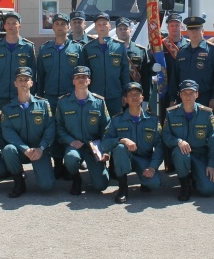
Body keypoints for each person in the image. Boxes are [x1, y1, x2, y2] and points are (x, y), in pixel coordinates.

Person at [168, 16, 214, 169]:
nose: (194, 33)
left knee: (213, 130)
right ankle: (189, 161)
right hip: (186, 99)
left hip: (207, 98)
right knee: (188, 130)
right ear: (186, 31)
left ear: (203, 30)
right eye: (191, 29)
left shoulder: (213, 50)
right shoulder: (182, 51)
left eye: (197, 29)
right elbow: (175, 76)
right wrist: (173, 97)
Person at [36, 13, 86, 178]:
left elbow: (82, 75)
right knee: (54, 131)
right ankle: (57, 164)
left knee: (71, 129)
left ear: (68, 27)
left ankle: (72, 161)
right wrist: (39, 96)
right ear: (53, 27)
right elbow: (40, 76)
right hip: (49, 97)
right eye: (56, 24)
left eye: (63, 24)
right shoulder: (45, 49)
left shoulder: (77, 49)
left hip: (70, 97)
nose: (59, 27)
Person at [102, 81, 163, 203]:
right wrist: (121, 140)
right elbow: (105, 143)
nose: (134, 97)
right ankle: (123, 187)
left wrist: (152, 167)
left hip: (144, 159)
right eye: (130, 94)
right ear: (125, 99)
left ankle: (144, 180)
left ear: (142, 98)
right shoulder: (116, 120)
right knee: (120, 148)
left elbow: (160, 145)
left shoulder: (153, 120)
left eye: (137, 94)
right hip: (125, 158)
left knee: (154, 183)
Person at [55, 66, 111, 195]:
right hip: (74, 145)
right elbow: (59, 127)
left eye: (84, 77)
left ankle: (100, 168)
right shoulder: (63, 103)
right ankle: (76, 179)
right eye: (77, 77)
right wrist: (70, 141)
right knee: (70, 157)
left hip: (93, 146)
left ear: (89, 81)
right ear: (73, 81)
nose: (81, 80)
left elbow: (107, 128)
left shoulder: (99, 102)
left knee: (101, 185)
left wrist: (106, 150)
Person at [1, 67, 56, 197]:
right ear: (15, 83)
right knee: (8, 149)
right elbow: (7, 131)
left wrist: (41, 147)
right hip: (20, 150)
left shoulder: (43, 104)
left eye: (26, 79)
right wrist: (24, 149)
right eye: (20, 80)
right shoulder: (8, 108)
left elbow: (50, 127)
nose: (23, 82)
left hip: (39, 151)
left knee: (47, 186)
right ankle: (19, 181)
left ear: (31, 83)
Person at [162, 80, 214, 201]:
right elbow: (165, 135)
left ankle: (195, 176)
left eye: (191, 93)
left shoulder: (206, 113)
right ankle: (185, 185)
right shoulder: (171, 113)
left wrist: (211, 164)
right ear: (180, 95)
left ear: (197, 94)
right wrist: (178, 141)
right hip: (181, 153)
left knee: (208, 190)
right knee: (180, 152)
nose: (188, 96)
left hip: (200, 155)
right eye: (185, 93)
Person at [83, 12, 130, 115]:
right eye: (99, 24)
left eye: (105, 24)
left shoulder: (119, 47)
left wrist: (125, 94)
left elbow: (124, 73)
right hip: (95, 96)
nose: (102, 27)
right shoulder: (88, 48)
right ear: (95, 28)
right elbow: (85, 74)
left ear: (110, 26)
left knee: (115, 126)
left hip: (115, 96)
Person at [0, 11, 35, 105]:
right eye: (8, 23)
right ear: (4, 26)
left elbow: (33, 73)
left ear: (19, 26)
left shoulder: (28, 47)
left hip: (21, 96)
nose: (11, 26)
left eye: (14, 23)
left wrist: (32, 95)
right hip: (1, 96)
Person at [116, 18, 151, 104]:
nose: (123, 31)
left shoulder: (140, 51)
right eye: (120, 29)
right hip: (117, 95)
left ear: (130, 31)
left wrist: (146, 99)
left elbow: (146, 77)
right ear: (116, 31)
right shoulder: (111, 50)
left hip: (135, 95)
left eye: (125, 29)